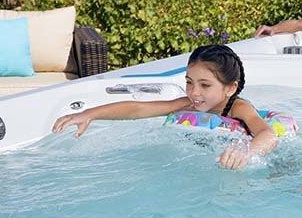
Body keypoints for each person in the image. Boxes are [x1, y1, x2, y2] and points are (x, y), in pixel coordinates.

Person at [52, 44, 277, 170]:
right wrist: (90, 114)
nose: (194, 92)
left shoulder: (238, 108)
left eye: (205, 85)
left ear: (230, 88)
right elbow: (139, 109)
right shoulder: (189, 104)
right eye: (189, 82)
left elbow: (268, 134)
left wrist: (246, 152)